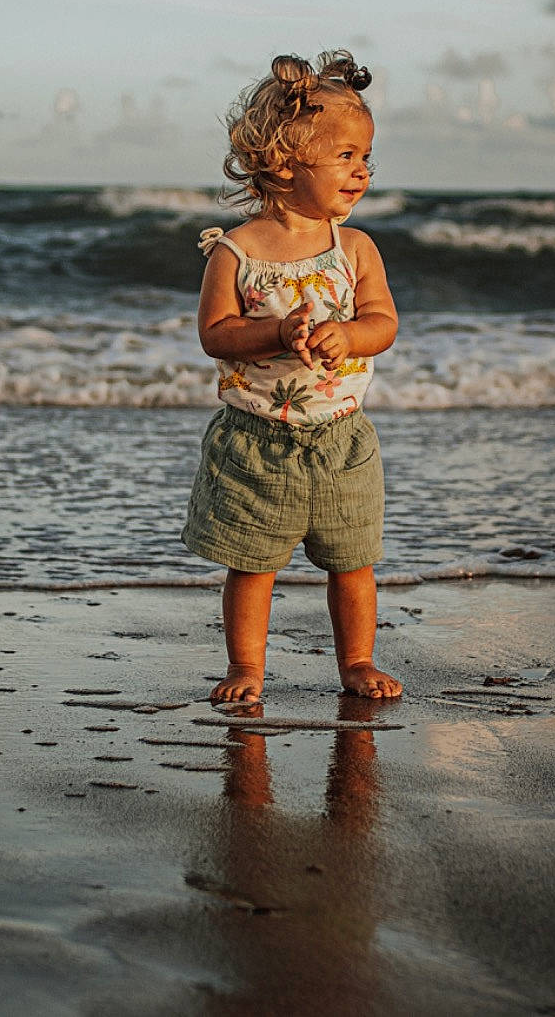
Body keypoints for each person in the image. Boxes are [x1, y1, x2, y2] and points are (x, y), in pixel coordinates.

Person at [183, 49, 404, 704]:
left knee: (353, 561)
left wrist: (349, 334)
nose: (362, 169)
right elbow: (215, 335)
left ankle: (358, 661)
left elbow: (384, 323)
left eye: (366, 155)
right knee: (252, 566)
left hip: (342, 440)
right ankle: (247, 667)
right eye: (345, 155)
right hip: (257, 443)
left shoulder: (355, 247)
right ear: (285, 162)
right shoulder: (236, 251)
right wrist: (277, 332)